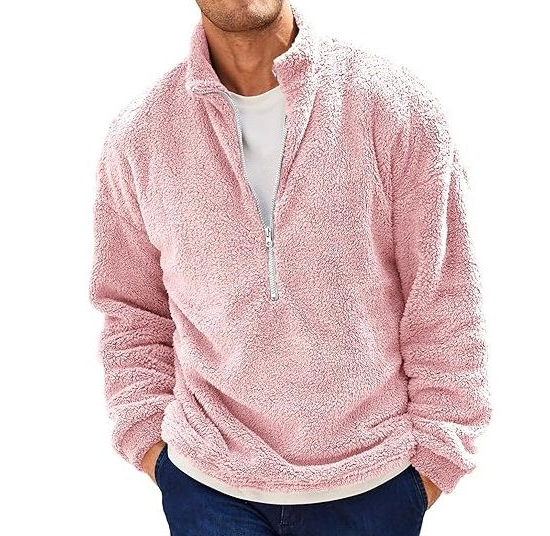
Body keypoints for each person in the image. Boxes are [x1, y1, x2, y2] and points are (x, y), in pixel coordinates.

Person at [88, 1, 492, 534]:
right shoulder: (140, 137)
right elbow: (131, 310)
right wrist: (150, 443)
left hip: (373, 482)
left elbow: (444, 297)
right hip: (208, 487)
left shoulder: (396, 109)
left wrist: (435, 464)